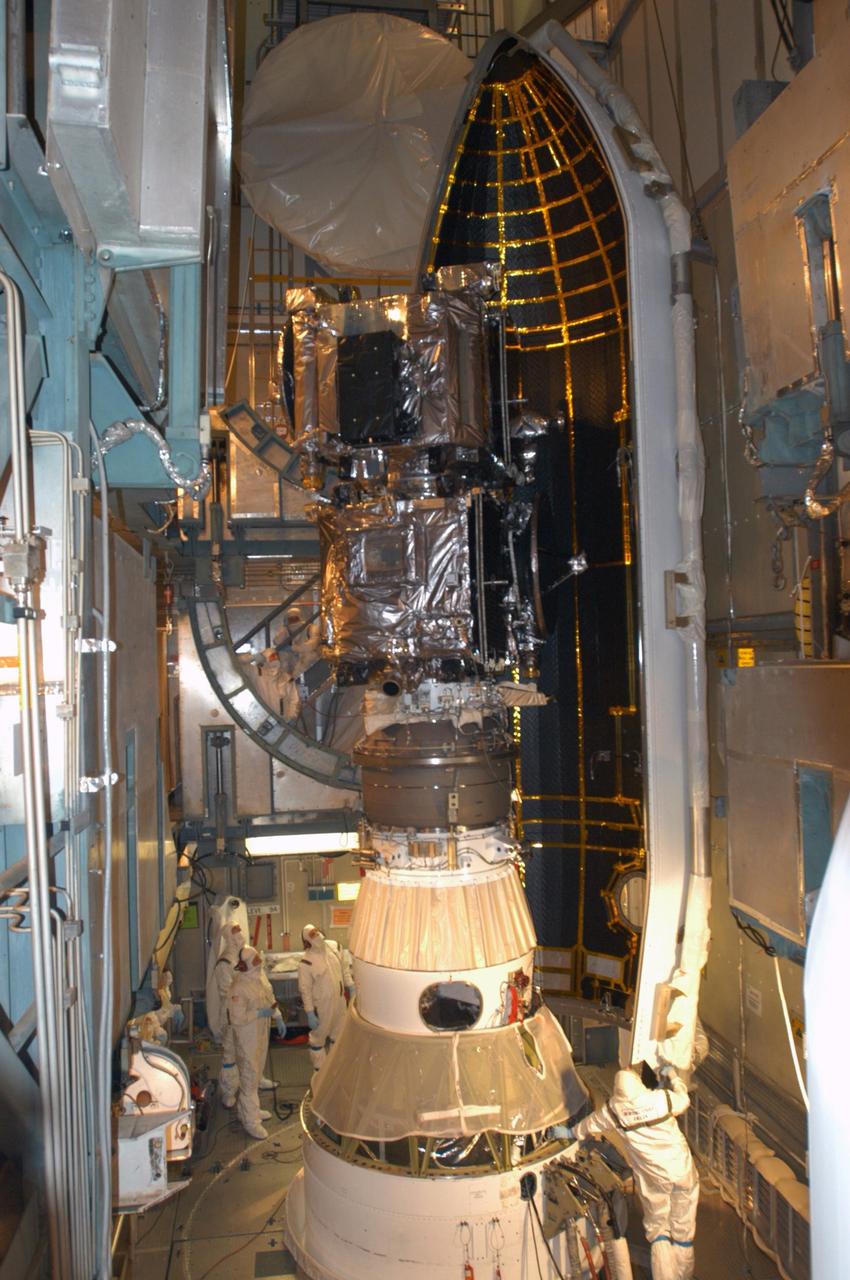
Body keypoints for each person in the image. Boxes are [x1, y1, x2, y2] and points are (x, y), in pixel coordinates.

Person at [552, 1065, 698, 1280]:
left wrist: (569, 1132)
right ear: (637, 1084)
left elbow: (589, 1125)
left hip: (652, 1178)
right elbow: (684, 1100)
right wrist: (674, 1077)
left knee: (659, 1230)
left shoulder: (614, 1109)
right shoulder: (661, 1099)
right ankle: (683, 1275)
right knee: (683, 1229)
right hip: (680, 1169)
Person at [227, 945, 284, 1139]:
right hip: (247, 1035)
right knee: (249, 1077)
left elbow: (269, 996)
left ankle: (251, 1109)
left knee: (257, 1070)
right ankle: (251, 1121)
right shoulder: (239, 986)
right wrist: (259, 1013)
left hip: (260, 1030)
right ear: (246, 965)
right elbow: (237, 1018)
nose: (260, 963)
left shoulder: (259, 977)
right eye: (256, 960)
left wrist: (277, 1015)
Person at [297, 923, 353, 1072]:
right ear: (307, 940)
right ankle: (319, 1074)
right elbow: (305, 990)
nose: (317, 935)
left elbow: (344, 968)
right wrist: (309, 1012)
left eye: (317, 931)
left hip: (340, 1002)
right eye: (312, 934)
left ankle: (336, 1071)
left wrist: (350, 986)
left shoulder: (334, 947)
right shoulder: (306, 962)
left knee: (338, 1035)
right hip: (322, 1006)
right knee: (318, 1039)